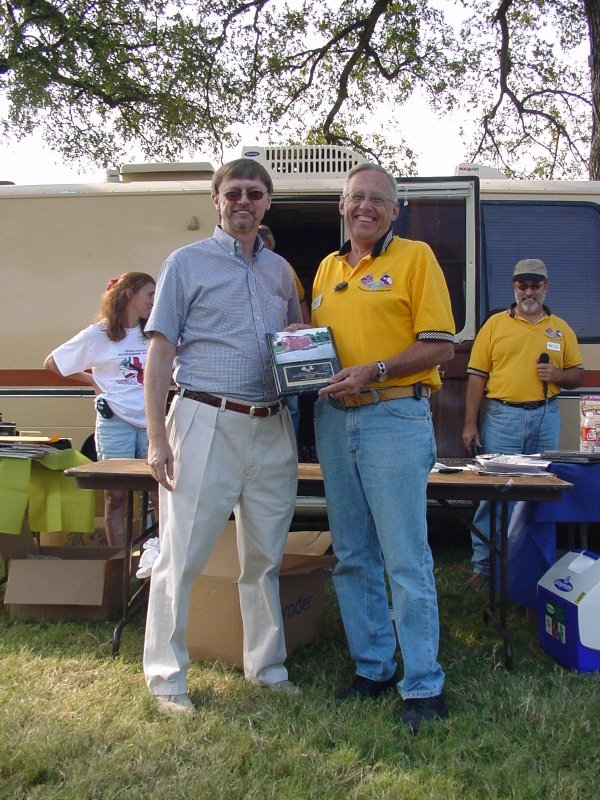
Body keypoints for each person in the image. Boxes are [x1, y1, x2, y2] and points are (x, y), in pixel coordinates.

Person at [142, 158, 302, 715]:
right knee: (181, 557)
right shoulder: (185, 263)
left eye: (254, 193)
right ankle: (166, 679)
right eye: (233, 192)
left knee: (263, 557)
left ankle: (267, 666)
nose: (243, 201)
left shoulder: (282, 272)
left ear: (267, 202)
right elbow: (159, 353)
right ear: (216, 200)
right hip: (203, 418)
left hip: (271, 424)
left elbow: (294, 343)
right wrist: (157, 438)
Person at [311, 162, 455, 735]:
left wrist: (372, 371)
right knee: (351, 553)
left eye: (377, 199)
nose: (365, 207)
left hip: (393, 416)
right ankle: (373, 668)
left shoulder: (415, 257)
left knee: (405, 556)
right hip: (333, 419)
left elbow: (440, 347)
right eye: (356, 198)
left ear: (395, 211)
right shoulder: (325, 268)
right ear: (342, 207)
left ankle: (423, 684)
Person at [462, 258, 584, 583]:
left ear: (546, 287)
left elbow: (577, 374)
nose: (529, 291)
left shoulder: (560, 328)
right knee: (495, 491)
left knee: (539, 491)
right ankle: (484, 566)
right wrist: (470, 423)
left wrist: (557, 374)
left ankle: (528, 564)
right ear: (514, 287)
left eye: (535, 285)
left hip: (546, 417)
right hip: (503, 416)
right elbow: (476, 378)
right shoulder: (495, 326)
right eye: (523, 285)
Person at [44, 272, 156, 547]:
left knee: (158, 493)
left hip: (152, 420)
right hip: (115, 420)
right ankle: (119, 560)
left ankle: (156, 558)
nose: (154, 302)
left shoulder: (154, 331)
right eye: (150, 295)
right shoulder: (100, 334)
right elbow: (53, 363)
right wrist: (92, 379)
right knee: (115, 495)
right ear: (129, 294)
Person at [258, 224, 311, 443]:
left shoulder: (283, 268)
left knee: (292, 406)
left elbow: (300, 304)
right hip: (256, 353)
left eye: (267, 246)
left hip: (286, 349)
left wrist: (307, 335)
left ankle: (292, 449)